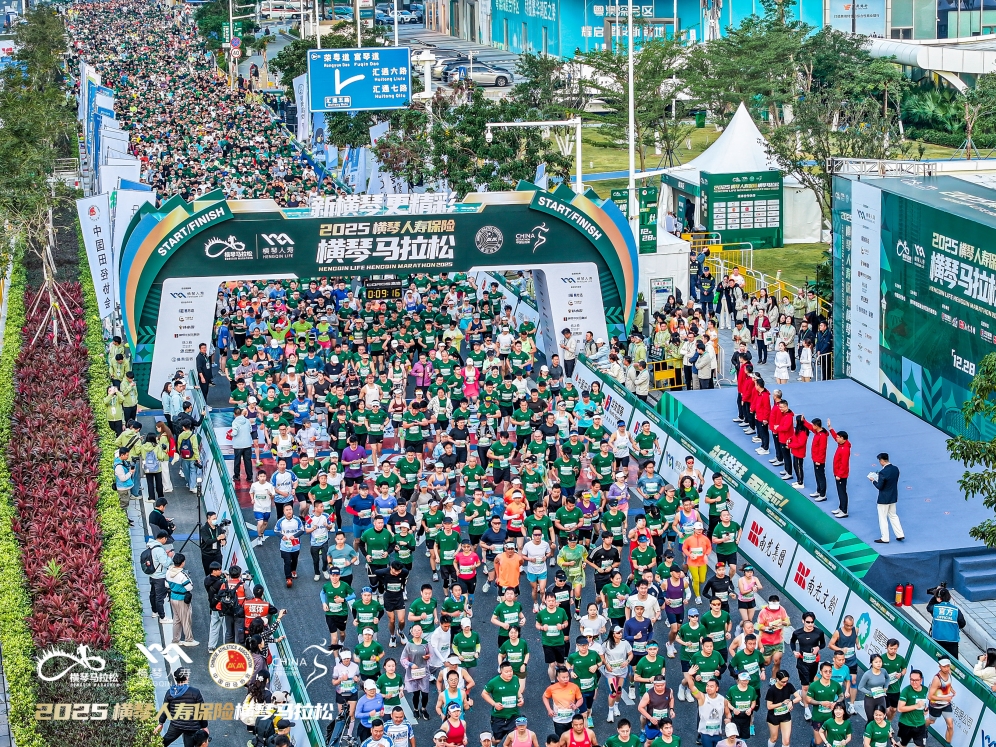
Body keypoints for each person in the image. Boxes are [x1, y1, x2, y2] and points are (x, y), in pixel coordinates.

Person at [155, 667, 209, 745]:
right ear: (186, 678)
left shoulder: (170, 692)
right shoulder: (195, 692)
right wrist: (204, 726)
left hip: (176, 725)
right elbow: (201, 711)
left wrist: (161, 723)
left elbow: (165, 709)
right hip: (192, 727)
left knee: (163, 743)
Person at [482, 662, 524, 743]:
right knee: (497, 740)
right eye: (506, 672)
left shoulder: (515, 678)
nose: (509, 673)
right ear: (501, 671)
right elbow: (484, 693)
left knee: (513, 739)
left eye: (511, 671)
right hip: (499, 716)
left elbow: (517, 691)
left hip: (513, 715)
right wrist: (494, 704)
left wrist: (521, 698)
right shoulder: (494, 682)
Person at [684, 676, 729, 747]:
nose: (708, 688)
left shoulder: (723, 700)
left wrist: (728, 719)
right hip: (706, 735)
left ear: (717, 688)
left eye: (711, 686)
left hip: (718, 734)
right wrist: (689, 676)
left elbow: (728, 713)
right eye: (707, 686)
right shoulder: (702, 697)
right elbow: (692, 688)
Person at [870, 453, 905, 543]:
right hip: (893, 496)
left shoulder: (883, 472)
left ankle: (885, 537)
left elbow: (879, 486)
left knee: (883, 518)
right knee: (893, 515)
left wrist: (873, 481)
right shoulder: (895, 469)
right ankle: (900, 534)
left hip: (884, 499)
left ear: (882, 461)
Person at [927, 587, 965, 658]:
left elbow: (928, 607)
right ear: (949, 597)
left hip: (937, 639)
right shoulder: (956, 610)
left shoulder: (935, 608)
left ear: (938, 598)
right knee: (953, 661)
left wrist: (935, 596)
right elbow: (962, 623)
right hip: (952, 640)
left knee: (938, 659)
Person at [926, 657, 956, 744]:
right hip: (936, 705)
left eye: (948, 666)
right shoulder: (937, 679)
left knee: (950, 726)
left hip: (946, 705)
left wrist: (952, 690)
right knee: (931, 721)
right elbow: (929, 697)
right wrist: (945, 698)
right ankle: (922, 728)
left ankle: (947, 744)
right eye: (944, 666)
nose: (946, 668)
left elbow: (948, 685)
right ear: (939, 666)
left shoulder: (949, 673)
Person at [896, 669, 929, 747]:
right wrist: (916, 706)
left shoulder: (926, 690)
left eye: (916, 680)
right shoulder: (906, 691)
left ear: (921, 680)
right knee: (903, 744)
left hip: (920, 724)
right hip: (906, 724)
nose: (914, 682)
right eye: (912, 680)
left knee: (920, 745)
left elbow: (929, 703)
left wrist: (926, 709)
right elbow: (900, 708)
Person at [828, 421, 850, 518]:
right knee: (839, 491)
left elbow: (844, 464)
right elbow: (834, 436)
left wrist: (839, 475)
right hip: (837, 472)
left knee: (842, 492)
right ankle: (841, 508)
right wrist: (830, 428)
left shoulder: (845, 449)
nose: (836, 438)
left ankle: (844, 511)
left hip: (841, 475)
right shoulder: (841, 444)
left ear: (842, 438)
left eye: (838, 437)